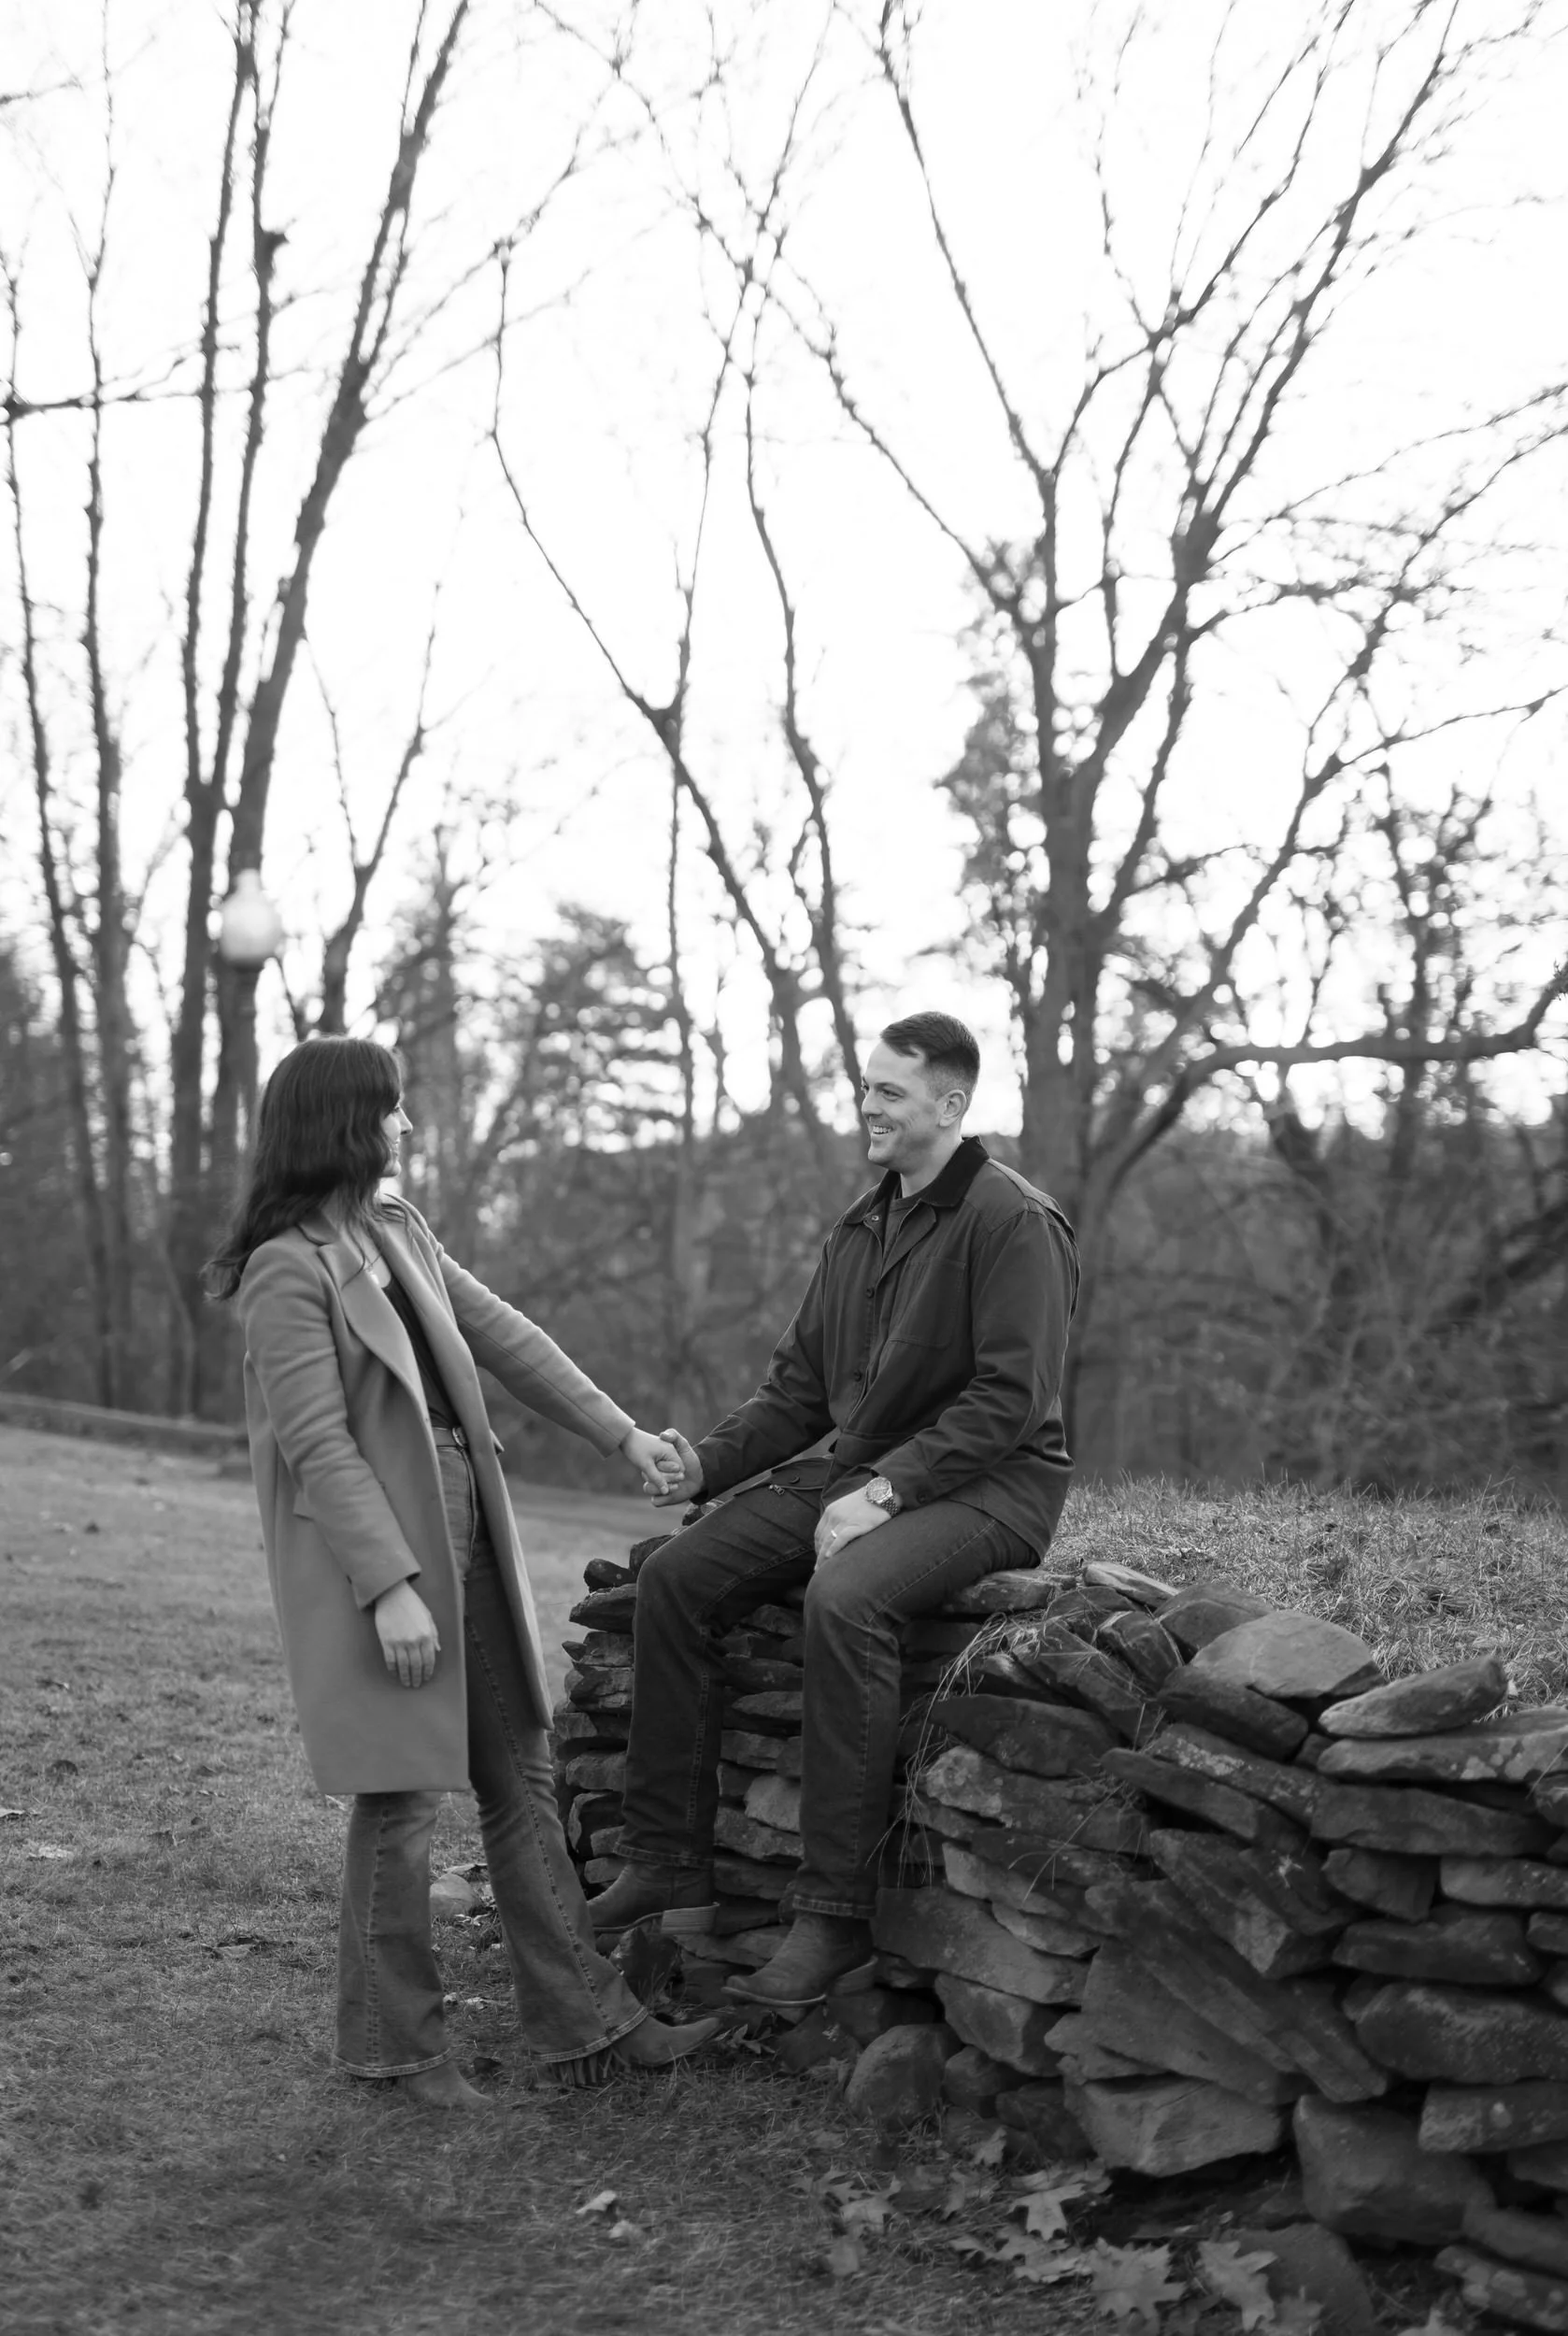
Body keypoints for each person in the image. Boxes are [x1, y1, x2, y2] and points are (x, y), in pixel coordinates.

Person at [206, 1035, 718, 2105]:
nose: (407, 1127)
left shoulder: (396, 1229)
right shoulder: (284, 1269)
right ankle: (393, 2048)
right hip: (381, 1537)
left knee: (521, 1768)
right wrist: (386, 1584)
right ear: (347, 1122)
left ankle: (582, 2023)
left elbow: (506, 1337)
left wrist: (619, 1434)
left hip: (468, 1511)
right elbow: (317, 1442)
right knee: (400, 1791)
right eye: (392, 1109)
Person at [591, 1010, 1080, 2007]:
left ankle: (832, 1918)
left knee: (846, 1599)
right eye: (865, 1087)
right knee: (677, 1577)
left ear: (951, 1103)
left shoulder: (1013, 1221)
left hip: (994, 1485)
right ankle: (668, 1866)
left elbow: (1007, 1400)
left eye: (889, 1091)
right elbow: (799, 1392)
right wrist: (707, 1466)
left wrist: (888, 1492)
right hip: (860, 1466)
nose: (868, 1105)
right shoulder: (863, 1225)